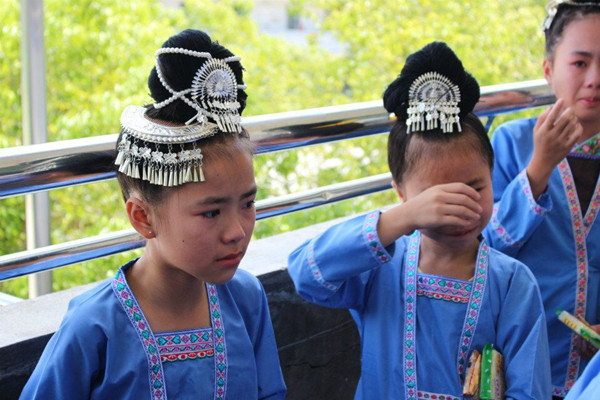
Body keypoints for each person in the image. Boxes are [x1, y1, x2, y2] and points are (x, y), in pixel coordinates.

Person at [19, 29, 286, 400]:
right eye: (211, 212)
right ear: (143, 218)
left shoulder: (245, 299)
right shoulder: (93, 327)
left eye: (248, 204)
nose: (237, 231)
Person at [287, 41, 551, 399]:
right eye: (436, 196)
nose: (460, 205)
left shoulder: (512, 284)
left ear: (492, 176)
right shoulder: (379, 269)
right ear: (400, 192)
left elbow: (529, 390)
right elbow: (307, 274)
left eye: (475, 187)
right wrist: (399, 220)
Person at [482, 1, 600, 397]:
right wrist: (539, 168)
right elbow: (486, 249)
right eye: (580, 63)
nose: (595, 79)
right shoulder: (511, 144)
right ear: (549, 70)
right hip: (522, 363)